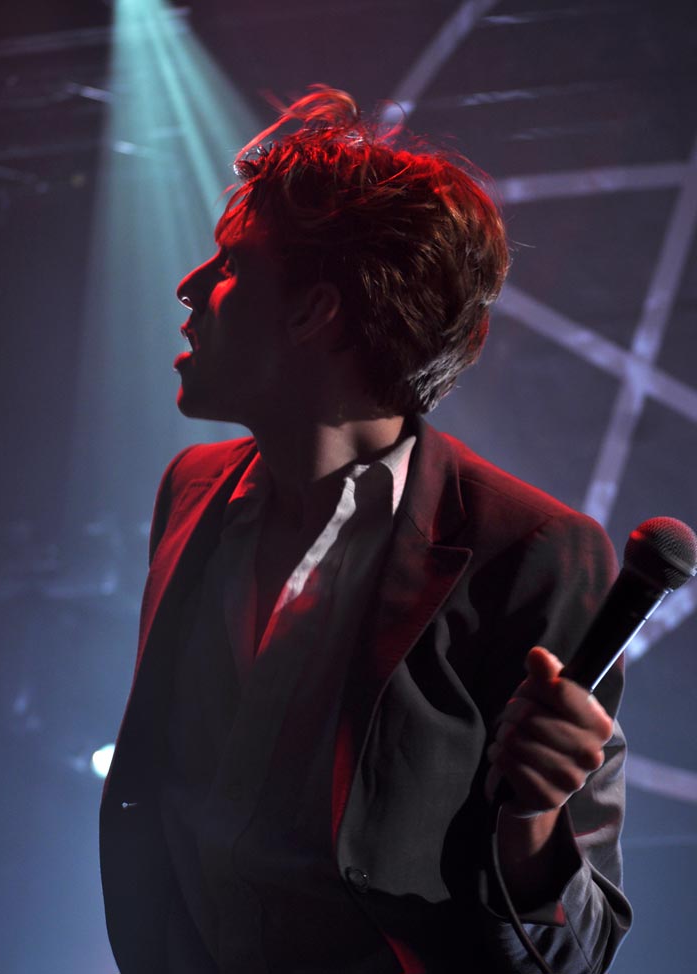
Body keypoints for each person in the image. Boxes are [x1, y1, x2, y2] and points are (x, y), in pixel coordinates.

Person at [100, 87, 632, 973]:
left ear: (315, 310)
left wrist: (534, 825)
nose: (189, 288)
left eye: (229, 265)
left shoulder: (534, 552)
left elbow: (581, 953)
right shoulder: (190, 490)